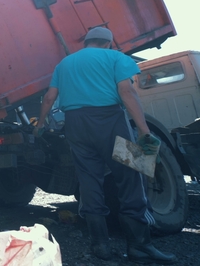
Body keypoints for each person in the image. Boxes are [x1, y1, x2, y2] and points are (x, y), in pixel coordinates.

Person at [33, 27, 176, 264]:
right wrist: (144, 129)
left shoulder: (65, 64)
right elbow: (127, 91)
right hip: (110, 120)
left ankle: (100, 246)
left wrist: (39, 125)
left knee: (89, 180)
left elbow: (49, 97)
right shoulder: (117, 58)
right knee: (130, 177)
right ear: (109, 43)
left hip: (76, 124)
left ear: (86, 42)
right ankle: (139, 246)